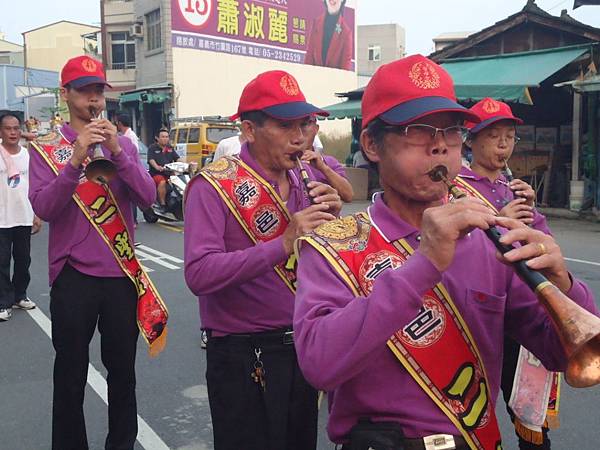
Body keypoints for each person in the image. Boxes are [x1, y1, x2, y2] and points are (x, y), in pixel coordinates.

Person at [292, 55, 599, 450]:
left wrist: (564, 284)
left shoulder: (489, 236)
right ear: (371, 144)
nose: (439, 147)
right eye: (418, 131)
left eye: (451, 132)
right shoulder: (332, 245)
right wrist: (424, 266)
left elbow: (559, 353)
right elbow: (319, 364)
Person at [184, 69, 342, 450]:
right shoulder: (214, 186)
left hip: (302, 345)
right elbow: (199, 273)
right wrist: (282, 243)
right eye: (286, 125)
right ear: (250, 131)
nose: (300, 137)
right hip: (242, 354)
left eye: (305, 124)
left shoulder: (305, 178)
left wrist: (333, 227)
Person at [28, 55, 168, 450]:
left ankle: (121, 443)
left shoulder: (121, 143)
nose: (94, 100)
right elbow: (43, 209)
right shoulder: (47, 149)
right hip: (73, 276)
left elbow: (146, 198)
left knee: (123, 372)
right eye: (85, 90)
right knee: (70, 374)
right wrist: (74, 161)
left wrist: (118, 153)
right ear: (66, 94)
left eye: (98, 91)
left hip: (121, 275)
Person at [461, 98, 555, 449]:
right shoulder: (456, 187)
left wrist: (534, 215)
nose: (503, 144)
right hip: (476, 315)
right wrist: (501, 216)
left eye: (510, 136)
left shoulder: (511, 188)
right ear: (471, 140)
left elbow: (545, 250)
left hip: (521, 315)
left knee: (531, 420)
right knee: (468, 410)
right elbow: (458, 255)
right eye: (493, 135)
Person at [0, 113, 41, 321]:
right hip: (2, 218)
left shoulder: (26, 154)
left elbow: (33, 184)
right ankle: (4, 302)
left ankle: (19, 295)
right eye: (8, 128)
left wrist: (37, 214)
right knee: (2, 261)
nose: (13, 132)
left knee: (23, 259)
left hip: (24, 215)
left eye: (16, 128)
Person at [300, 116, 354, 202]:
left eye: (305, 124)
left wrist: (323, 167)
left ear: (316, 129)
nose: (300, 131)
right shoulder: (283, 162)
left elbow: (348, 196)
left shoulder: (329, 162)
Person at [304, 0, 353, 70]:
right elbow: (308, 59)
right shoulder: (316, 24)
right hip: (313, 78)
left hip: (334, 80)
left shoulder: (346, 33)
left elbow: (345, 71)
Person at [115, 111, 141, 226]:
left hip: (130, 167)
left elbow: (132, 154)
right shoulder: (127, 135)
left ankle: (133, 220)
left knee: (130, 195)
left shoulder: (129, 137)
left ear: (120, 123)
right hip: (126, 166)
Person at [148, 128, 180, 212]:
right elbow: (151, 160)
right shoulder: (152, 148)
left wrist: (187, 164)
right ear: (157, 138)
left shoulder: (170, 148)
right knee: (162, 182)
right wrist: (157, 167)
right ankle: (162, 204)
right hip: (157, 174)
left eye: (166, 137)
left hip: (169, 174)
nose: (165, 138)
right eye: (162, 137)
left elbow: (177, 158)